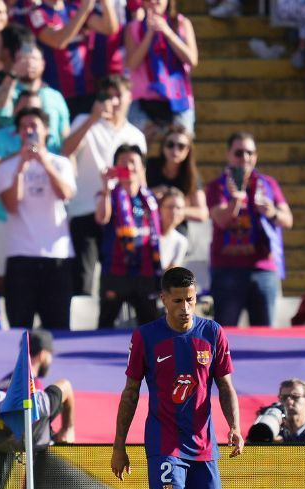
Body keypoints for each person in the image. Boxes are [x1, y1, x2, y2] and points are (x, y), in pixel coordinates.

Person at [111, 265, 244, 489]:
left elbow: (226, 387)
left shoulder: (213, 332)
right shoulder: (146, 337)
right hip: (164, 443)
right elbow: (130, 392)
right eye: (177, 301)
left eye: (190, 300)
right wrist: (119, 445)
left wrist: (235, 426)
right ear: (163, 300)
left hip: (203, 445)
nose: (185, 308)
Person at [60, 75, 147, 298]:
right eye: (109, 96)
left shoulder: (135, 135)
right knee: (84, 279)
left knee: (117, 282)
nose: (114, 102)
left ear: (130, 97)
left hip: (123, 217)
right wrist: (93, 118)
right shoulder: (83, 120)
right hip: (84, 211)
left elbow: (141, 180)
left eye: (119, 96)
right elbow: (65, 152)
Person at [0, 107, 76, 329]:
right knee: (20, 330)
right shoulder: (6, 167)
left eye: (34, 126)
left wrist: (44, 162)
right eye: (24, 127)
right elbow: (11, 205)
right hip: (21, 256)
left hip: (57, 256)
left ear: (46, 130)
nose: (29, 131)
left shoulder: (61, 164)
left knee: (58, 327)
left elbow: (65, 194)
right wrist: (21, 166)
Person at [205, 132, 293, 327]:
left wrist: (272, 213)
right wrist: (235, 201)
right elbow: (221, 220)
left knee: (265, 337)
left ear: (256, 156)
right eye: (239, 152)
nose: (245, 157)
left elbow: (288, 220)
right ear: (228, 155)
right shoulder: (217, 186)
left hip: (262, 270)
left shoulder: (268, 184)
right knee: (225, 337)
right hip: (227, 270)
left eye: (249, 152)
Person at [94, 144, 163, 329]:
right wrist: (106, 187)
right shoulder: (109, 194)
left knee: (151, 327)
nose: (129, 167)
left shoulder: (149, 199)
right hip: (116, 272)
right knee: (106, 325)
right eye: (123, 162)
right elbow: (102, 217)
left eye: (133, 162)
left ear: (142, 168)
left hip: (145, 271)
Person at [124, 0, 199, 135]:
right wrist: (149, 35)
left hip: (178, 98)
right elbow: (131, 64)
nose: (153, 1)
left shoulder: (182, 23)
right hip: (144, 99)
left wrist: (168, 32)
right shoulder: (133, 28)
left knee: (179, 145)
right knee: (138, 147)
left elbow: (192, 60)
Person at [145, 126, 208, 231]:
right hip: (150, 225)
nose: (175, 150)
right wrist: (153, 193)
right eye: (170, 145)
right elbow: (135, 198)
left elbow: (203, 213)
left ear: (188, 150)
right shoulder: (150, 167)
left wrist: (174, 207)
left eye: (181, 146)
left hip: (177, 229)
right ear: (163, 147)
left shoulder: (191, 175)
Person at [156, 186, 190, 271]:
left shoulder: (181, 241)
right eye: (170, 207)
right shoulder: (148, 234)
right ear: (160, 209)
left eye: (179, 208)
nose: (174, 212)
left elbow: (170, 275)